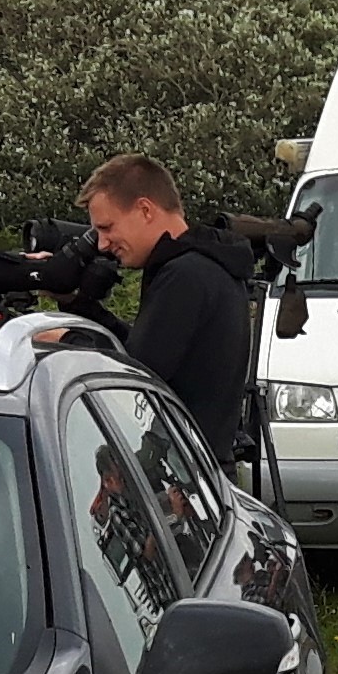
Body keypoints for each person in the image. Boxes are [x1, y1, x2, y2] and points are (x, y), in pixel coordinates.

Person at [68, 153, 259, 465]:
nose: (102, 244)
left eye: (107, 227)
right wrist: (78, 306)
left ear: (145, 209)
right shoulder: (209, 265)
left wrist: (67, 340)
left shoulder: (184, 275)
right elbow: (150, 350)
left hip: (186, 475)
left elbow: (135, 375)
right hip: (202, 468)